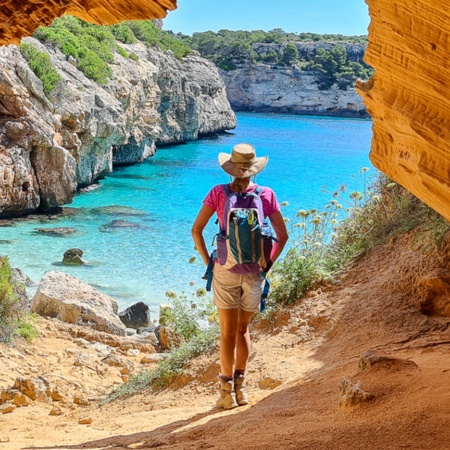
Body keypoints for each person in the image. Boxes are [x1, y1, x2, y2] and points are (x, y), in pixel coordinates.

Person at [191, 143, 289, 409]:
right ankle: (241, 389)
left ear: (230, 169)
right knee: (243, 330)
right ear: (253, 170)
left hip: (225, 269)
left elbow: (196, 231)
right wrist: (266, 265)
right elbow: (283, 237)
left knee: (226, 334)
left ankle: (226, 394)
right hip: (255, 271)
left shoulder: (218, 193)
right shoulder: (266, 194)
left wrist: (209, 263)